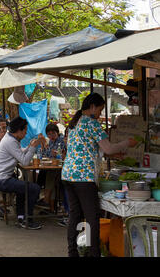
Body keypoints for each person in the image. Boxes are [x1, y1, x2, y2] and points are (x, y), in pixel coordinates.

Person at [62, 93, 137, 257]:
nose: (101, 114)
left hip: (68, 174)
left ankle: (72, 252)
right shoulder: (92, 123)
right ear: (93, 107)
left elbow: (90, 148)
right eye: (101, 110)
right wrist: (127, 143)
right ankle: (93, 253)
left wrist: (111, 155)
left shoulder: (75, 123)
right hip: (83, 176)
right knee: (92, 217)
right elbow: (108, 148)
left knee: (75, 214)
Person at [0, 116, 46, 230]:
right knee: (34, 188)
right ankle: (27, 219)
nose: (25, 133)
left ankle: (21, 217)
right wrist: (33, 148)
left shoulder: (11, 139)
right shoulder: (10, 141)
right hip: (1, 180)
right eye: (25, 131)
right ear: (19, 130)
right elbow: (24, 161)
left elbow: (19, 152)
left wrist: (29, 146)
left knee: (23, 188)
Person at [36, 123, 67, 214]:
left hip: (62, 169)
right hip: (53, 168)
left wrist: (56, 155)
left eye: (53, 133)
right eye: (49, 134)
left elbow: (61, 156)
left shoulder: (61, 141)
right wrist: (43, 145)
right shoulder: (50, 142)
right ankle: (50, 208)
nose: (51, 136)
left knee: (50, 175)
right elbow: (44, 155)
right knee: (49, 176)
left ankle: (46, 202)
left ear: (57, 132)